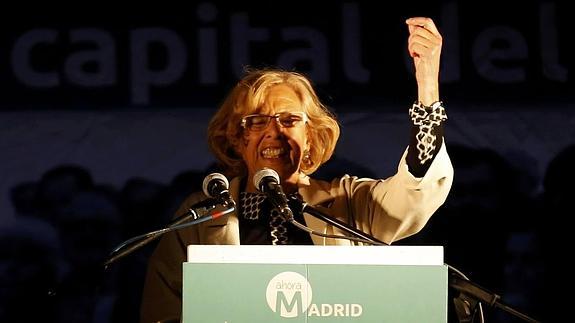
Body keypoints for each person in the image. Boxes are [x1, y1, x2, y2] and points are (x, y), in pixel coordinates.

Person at [140, 16, 453, 323]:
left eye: (289, 121)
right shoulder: (200, 216)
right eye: (257, 121)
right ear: (237, 138)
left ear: (311, 136)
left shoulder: (350, 204)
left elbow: (417, 189)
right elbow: (163, 310)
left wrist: (427, 88)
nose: (274, 132)